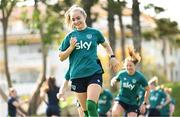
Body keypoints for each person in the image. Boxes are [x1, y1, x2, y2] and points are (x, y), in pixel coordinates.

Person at [57, 5, 119, 117]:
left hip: (94, 73)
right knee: (86, 112)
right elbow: (61, 57)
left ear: (84, 16)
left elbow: (106, 46)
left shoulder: (95, 33)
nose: (76, 21)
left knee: (91, 105)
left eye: (78, 18)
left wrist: (112, 57)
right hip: (77, 76)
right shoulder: (70, 37)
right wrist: (71, 47)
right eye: (73, 19)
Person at [110, 47, 150, 117]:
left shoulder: (140, 77)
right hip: (121, 99)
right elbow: (115, 78)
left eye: (130, 65)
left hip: (133, 102)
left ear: (134, 65)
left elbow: (148, 89)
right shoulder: (122, 74)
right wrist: (113, 80)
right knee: (115, 113)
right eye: (127, 66)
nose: (128, 67)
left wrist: (144, 103)